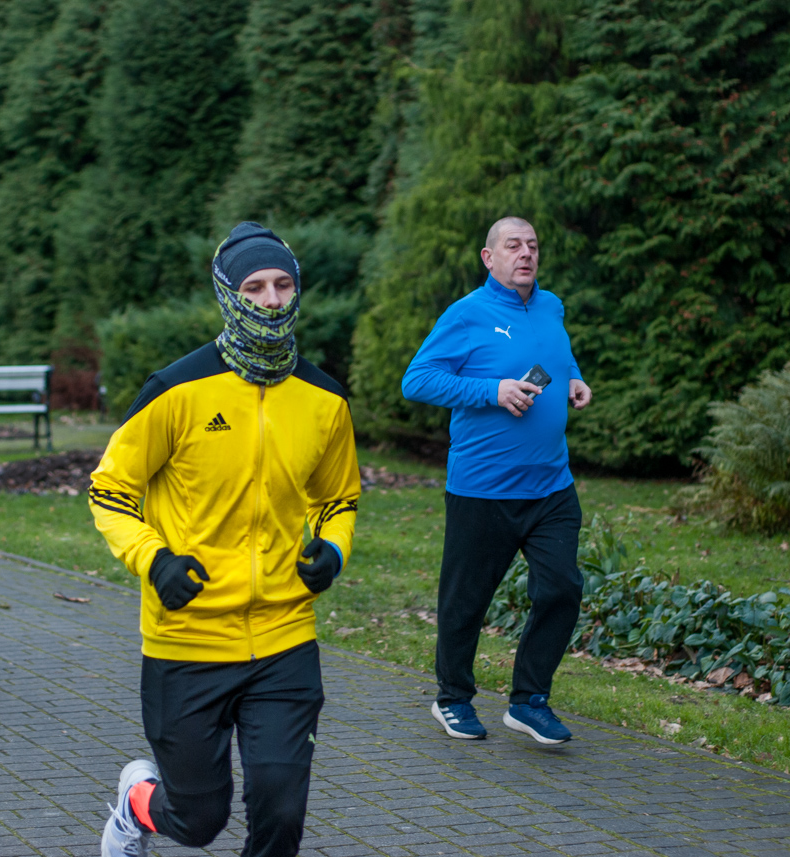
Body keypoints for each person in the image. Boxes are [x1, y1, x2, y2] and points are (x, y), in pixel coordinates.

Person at [89, 222, 361, 857]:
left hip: (284, 638)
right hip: (188, 639)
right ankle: (137, 805)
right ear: (228, 295)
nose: (272, 299)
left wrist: (333, 548)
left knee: (280, 809)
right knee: (198, 820)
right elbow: (110, 490)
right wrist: (154, 559)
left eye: (283, 284)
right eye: (255, 287)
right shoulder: (175, 390)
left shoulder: (324, 399)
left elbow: (337, 499)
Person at [402, 216, 592, 745]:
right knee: (466, 602)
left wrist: (574, 377)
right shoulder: (467, 314)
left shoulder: (551, 305)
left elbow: (555, 352)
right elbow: (417, 380)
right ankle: (453, 698)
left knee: (561, 589)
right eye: (513, 245)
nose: (525, 253)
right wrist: (493, 390)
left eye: (532, 245)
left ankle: (529, 701)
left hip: (551, 485)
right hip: (483, 488)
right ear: (490, 258)